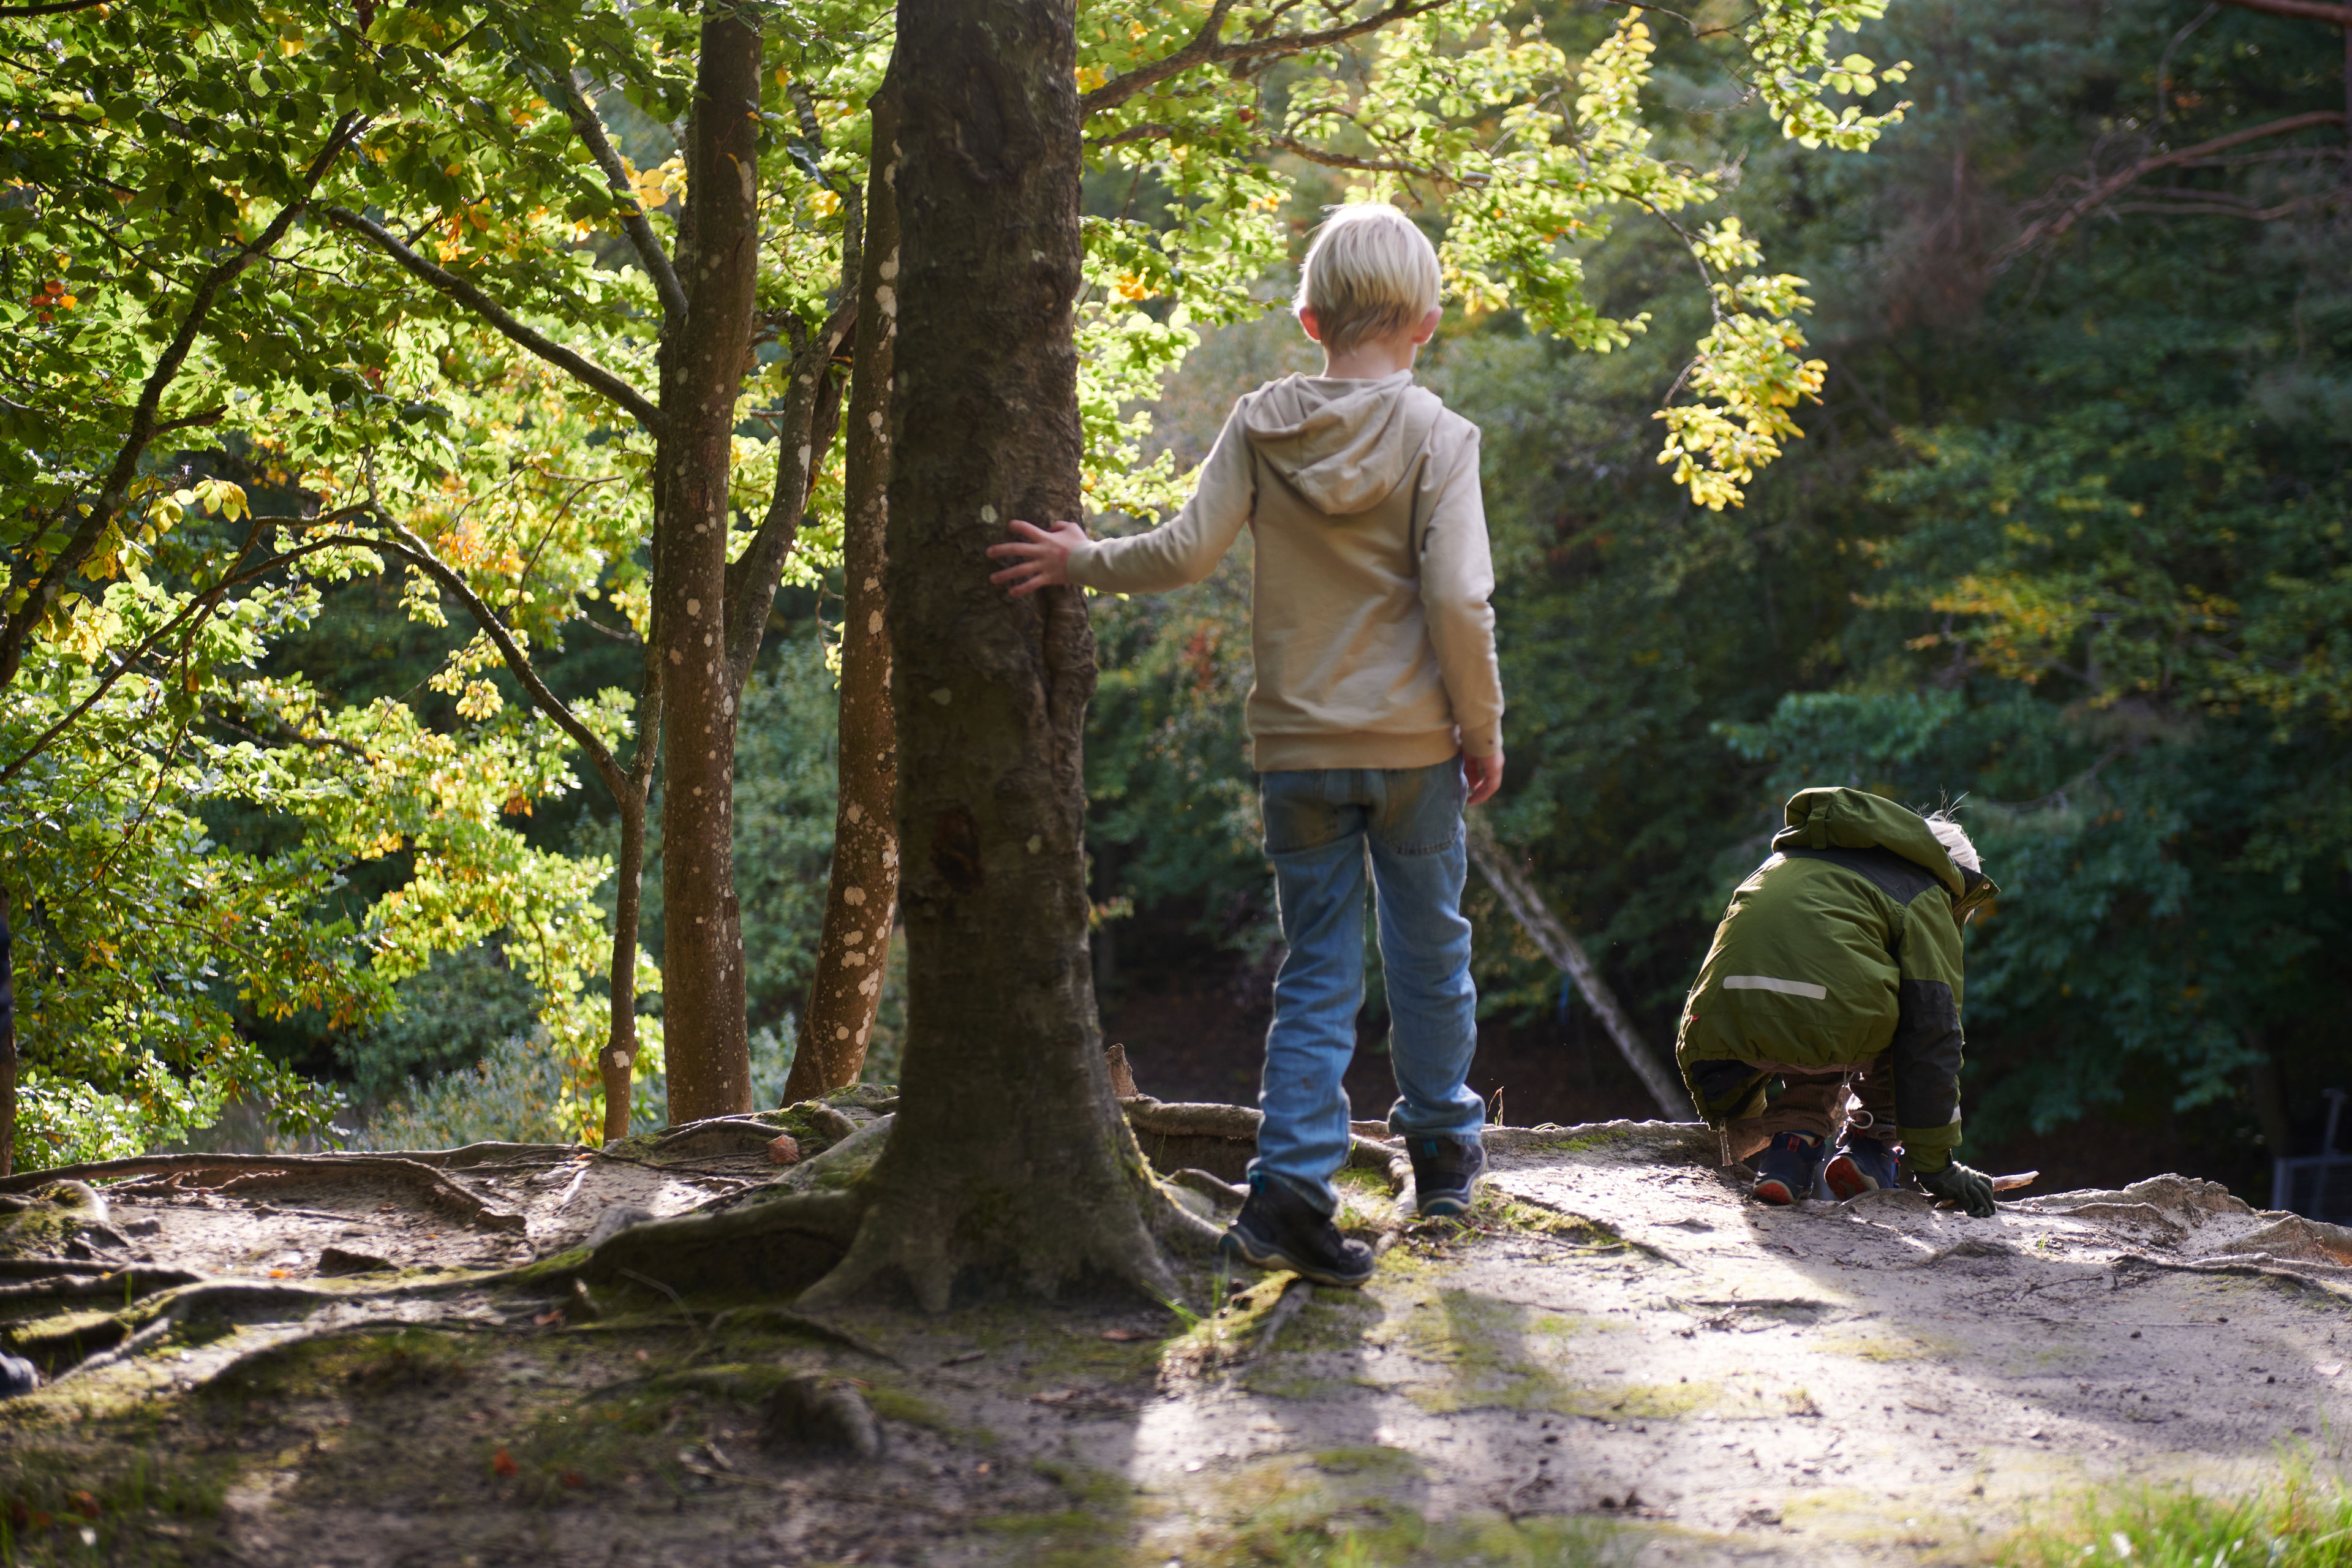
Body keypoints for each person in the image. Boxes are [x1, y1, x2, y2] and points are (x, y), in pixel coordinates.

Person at [988, 203, 1504, 1286]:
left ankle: (1289, 1196)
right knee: (1431, 954)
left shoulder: (1264, 423)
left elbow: (1184, 555)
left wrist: (1080, 560)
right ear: (1426, 321)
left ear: (1310, 319)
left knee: (1317, 971)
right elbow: (1460, 598)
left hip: (1298, 752)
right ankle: (1444, 1158)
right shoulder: (1439, 436)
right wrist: (1481, 728)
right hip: (1415, 751)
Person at [1675, 786, 2003, 1217]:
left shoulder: (1784, 863)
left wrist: (1736, 1114)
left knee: (1821, 1012)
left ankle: (1790, 1151)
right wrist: (1936, 1166)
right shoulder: (1924, 889)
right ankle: (1871, 1145)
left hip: (1716, 1029)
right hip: (1826, 1019)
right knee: (1896, 1014)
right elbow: (1933, 1031)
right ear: (1951, 875)